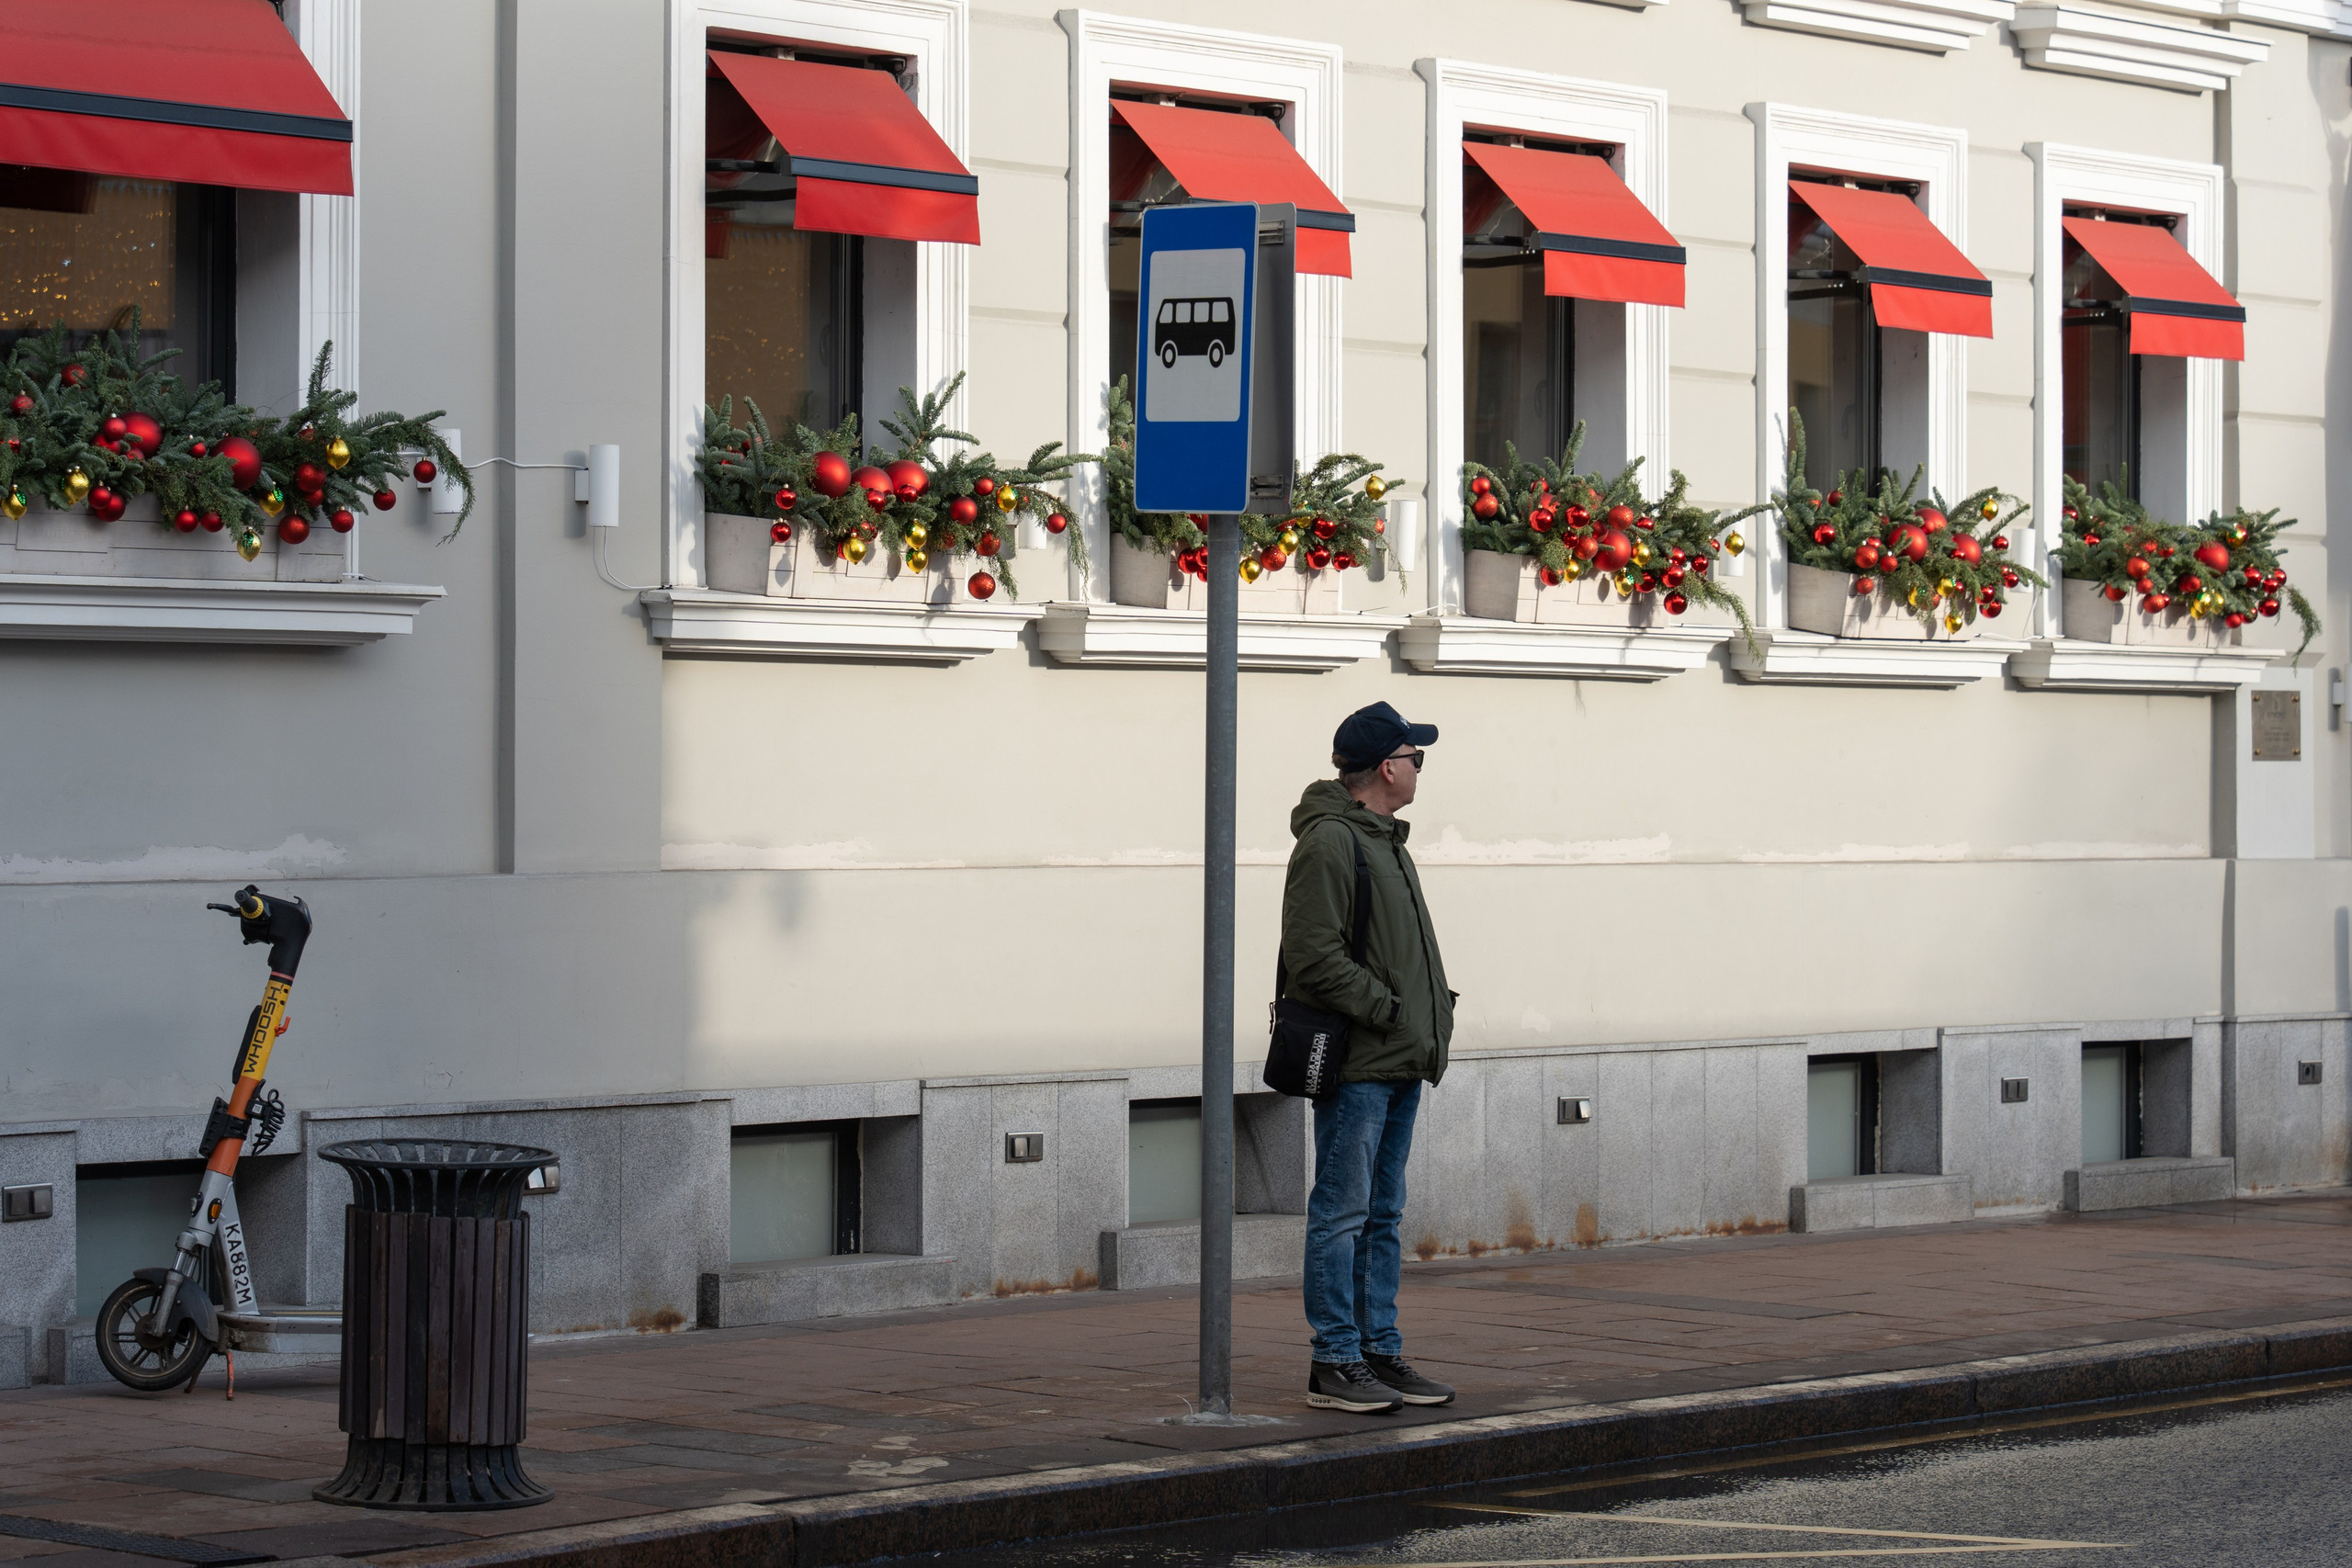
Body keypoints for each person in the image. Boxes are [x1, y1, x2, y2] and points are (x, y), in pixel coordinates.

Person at [1280, 700, 1457, 1415]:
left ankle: (1377, 1348)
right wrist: (1390, 1008)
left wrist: (1428, 1008)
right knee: (1343, 1212)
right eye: (1416, 756)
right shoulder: (1331, 841)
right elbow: (1313, 957)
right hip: (1360, 1060)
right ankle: (1335, 1359)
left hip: (1400, 1057)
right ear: (1388, 765)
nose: (1420, 768)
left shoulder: (1385, 838)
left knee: (1382, 1212)